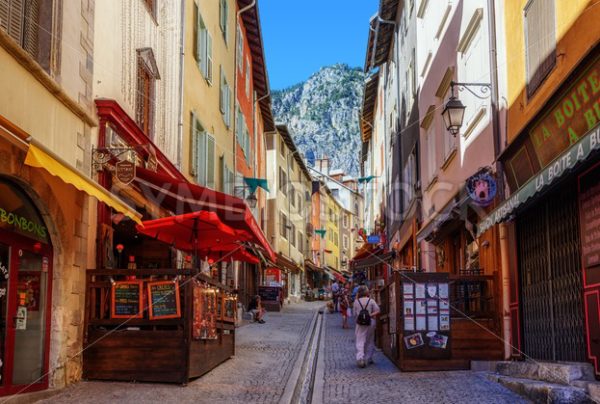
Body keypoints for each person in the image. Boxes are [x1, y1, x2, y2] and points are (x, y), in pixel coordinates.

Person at [353, 286, 380, 368]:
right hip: (370, 322)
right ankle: (369, 358)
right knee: (370, 340)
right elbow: (378, 310)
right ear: (367, 292)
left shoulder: (356, 302)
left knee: (360, 340)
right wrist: (369, 315)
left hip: (360, 323)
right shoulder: (371, 301)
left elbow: (354, 314)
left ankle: (360, 358)